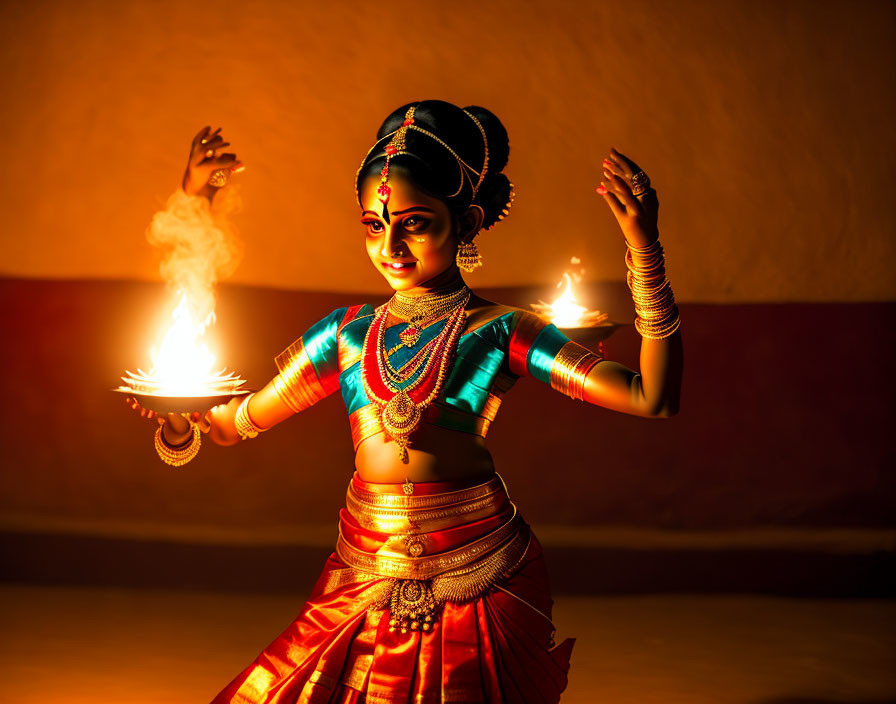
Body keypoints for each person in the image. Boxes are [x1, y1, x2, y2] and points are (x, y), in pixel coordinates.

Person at [129, 99, 683, 703]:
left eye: (414, 222)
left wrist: (644, 250)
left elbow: (651, 397)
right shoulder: (344, 335)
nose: (390, 244)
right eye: (373, 224)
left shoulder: (501, 329)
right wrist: (181, 423)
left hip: (478, 567)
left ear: (467, 222)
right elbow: (234, 425)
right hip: (363, 564)